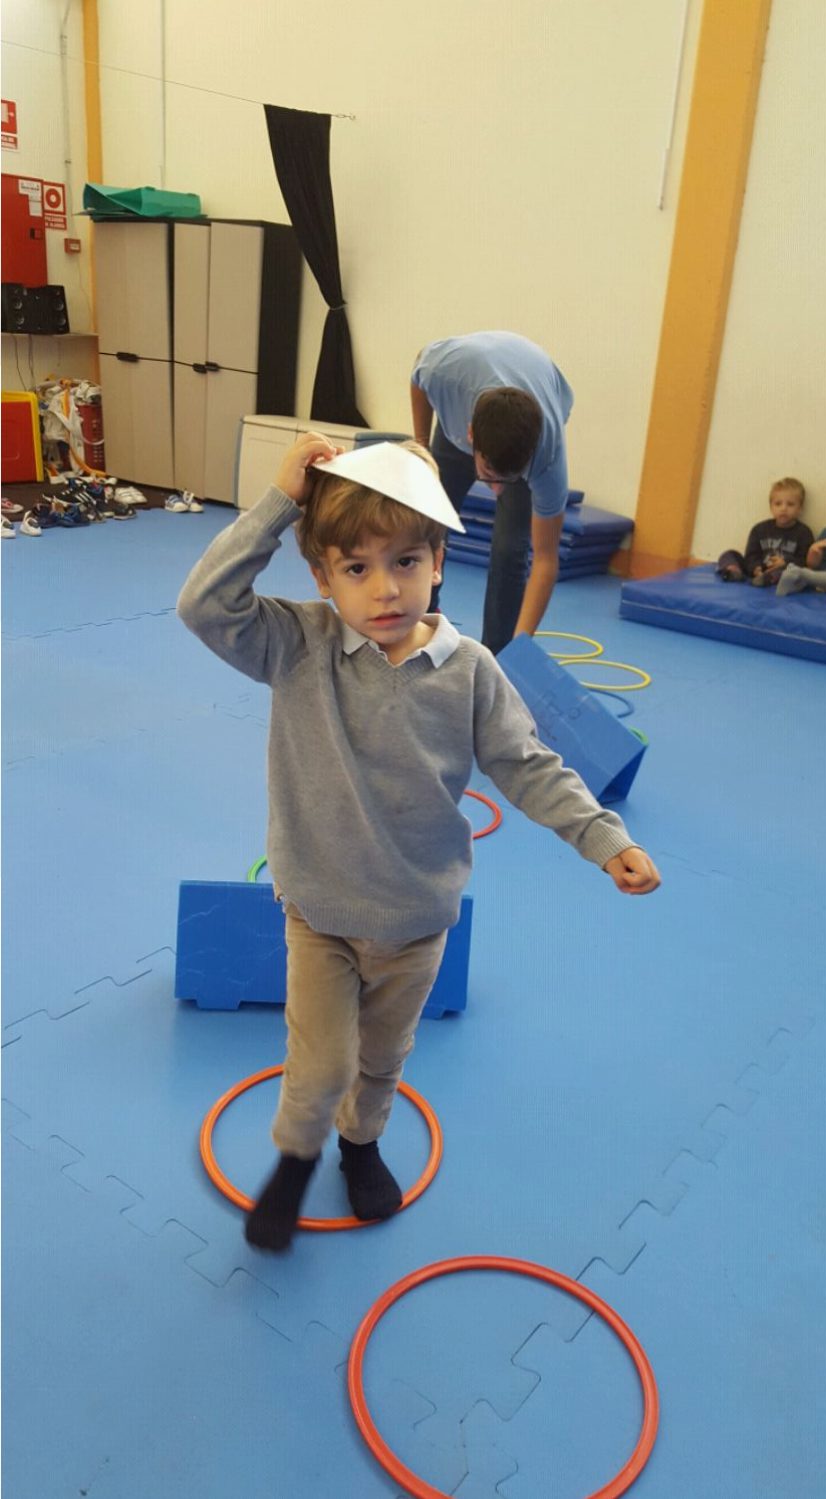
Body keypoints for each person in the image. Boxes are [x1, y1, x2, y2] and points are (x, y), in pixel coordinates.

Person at [177, 434, 661, 1254]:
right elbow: (203, 605)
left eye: (405, 560)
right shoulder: (297, 645)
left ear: (438, 561)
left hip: (417, 917)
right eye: (356, 568)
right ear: (321, 576)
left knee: (381, 1059)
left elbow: (527, 763)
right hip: (320, 912)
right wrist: (281, 501)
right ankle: (294, 1163)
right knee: (318, 1064)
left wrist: (600, 835)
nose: (385, 587)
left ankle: (359, 1144)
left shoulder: (468, 670)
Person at [410, 331, 574, 654]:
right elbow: (418, 377)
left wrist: (520, 649)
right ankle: (421, 618)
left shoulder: (546, 459)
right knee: (426, 523)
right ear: (470, 436)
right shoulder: (443, 375)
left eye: (507, 480)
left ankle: (498, 652)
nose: (497, 490)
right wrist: (421, 447)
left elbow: (545, 560)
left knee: (510, 548)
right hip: (469, 395)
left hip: (533, 398)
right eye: (489, 476)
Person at [716, 477, 814, 586]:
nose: (783, 508)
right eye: (778, 504)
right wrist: (755, 568)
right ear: (771, 507)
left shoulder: (804, 533)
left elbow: (805, 562)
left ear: (800, 508)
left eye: (790, 504)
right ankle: (733, 571)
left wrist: (786, 562)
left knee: (792, 573)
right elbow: (751, 555)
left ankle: (770, 578)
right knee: (730, 554)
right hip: (758, 569)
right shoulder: (759, 529)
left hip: (783, 570)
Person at [776, 482, 826, 597]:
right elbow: (812, 564)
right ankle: (797, 578)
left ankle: (803, 576)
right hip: (824, 578)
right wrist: (814, 552)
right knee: (811, 574)